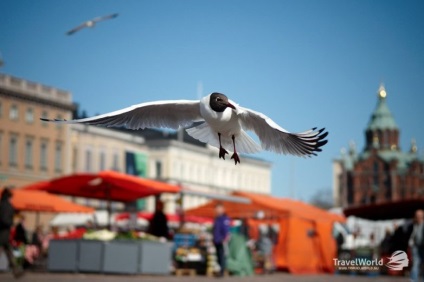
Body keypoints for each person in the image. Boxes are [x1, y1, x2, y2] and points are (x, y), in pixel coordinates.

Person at [0, 188, 24, 278]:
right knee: (6, 250)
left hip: (4, 232)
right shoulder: (7, 206)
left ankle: (16, 270)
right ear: (9, 197)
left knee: (8, 251)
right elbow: (5, 219)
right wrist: (12, 223)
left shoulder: (2, 204)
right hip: (3, 232)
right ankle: (16, 270)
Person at [212, 203, 230, 277]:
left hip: (222, 240)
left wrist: (225, 238)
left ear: (222, 209)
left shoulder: (224, 218)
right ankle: (220, 269)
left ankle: (222, 271)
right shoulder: (217, 218)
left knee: (222, 256)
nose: (217, 210)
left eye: (219, 208)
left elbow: (226, 229)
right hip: (216, 240)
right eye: (217, 208)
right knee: (218, 256)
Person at [410, 209, 424, 282]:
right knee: (415, 265)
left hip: (422, 247)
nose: (417, 217)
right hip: (416, 247)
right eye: (416, 215)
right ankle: (413, 280)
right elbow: (413, 236)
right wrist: (411, 243)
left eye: (419, 215)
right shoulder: (415, 225)